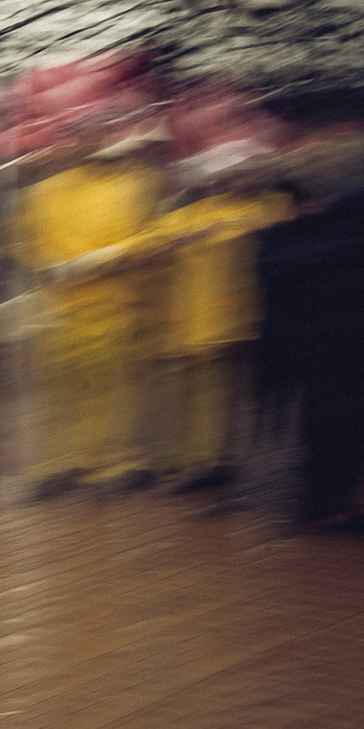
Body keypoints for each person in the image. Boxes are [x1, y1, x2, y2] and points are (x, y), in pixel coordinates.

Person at [253, 131, 364, 529]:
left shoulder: (297, 225)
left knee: (332, 420)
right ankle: (330, 503)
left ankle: (331, 500)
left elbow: (275, 281)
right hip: (353, 340)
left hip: (326, 341)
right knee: (347, 420)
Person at [14, 111, 169, 497]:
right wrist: (48, 263)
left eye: (93, 135)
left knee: (110, 388)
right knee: (58, 391)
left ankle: (108, 465)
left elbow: (154, 235)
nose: (84, 144)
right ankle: (61, 464)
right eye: (76, 137)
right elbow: (24, 241)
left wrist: (110, 256)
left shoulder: (133, 186)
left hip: (114, 302)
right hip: (60, 306)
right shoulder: (43, 193)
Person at [137, 143, 290, 492]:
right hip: (189, 325)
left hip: (231, 323)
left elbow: (258, 226)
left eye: (235, 175)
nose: (227, 182)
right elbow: (151, 239)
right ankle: (191, 462)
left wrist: (210, 231)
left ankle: (214, 461)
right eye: (223, 176)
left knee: (220, 397)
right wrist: (173, 239)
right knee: (191, 396)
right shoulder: (196, 212)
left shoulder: (266, 207)